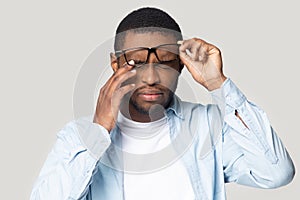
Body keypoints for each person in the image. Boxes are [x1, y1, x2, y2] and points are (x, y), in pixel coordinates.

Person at [30, 7, 295, 200]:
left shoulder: (209, 127)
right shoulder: (77, 138)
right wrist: (99, 130)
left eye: (166, 60)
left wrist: (218, 83)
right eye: (136, 61)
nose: (151, 77)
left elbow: (277, 173)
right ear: (115, 64)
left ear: (181, 64)